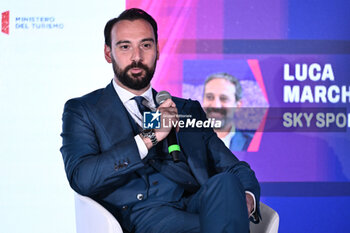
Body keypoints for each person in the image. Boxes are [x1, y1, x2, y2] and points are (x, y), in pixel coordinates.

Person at [60, 8, 260, 233]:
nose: (137, 56)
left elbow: (234, 168)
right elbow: (82, 177)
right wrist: (149, 137)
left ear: (157, 50)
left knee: (226, 182)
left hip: (195, 204)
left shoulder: (186, 109)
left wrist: (246, 200)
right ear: (108, 53)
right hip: (142, 215)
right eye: (125, 46)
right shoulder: (83, 110)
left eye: (145, 45)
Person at [203, 73, 254, 151]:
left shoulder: (251, 144)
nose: (216, 106)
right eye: (209, 97)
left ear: (238, 105)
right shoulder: (184, 142)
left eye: (224, 98)